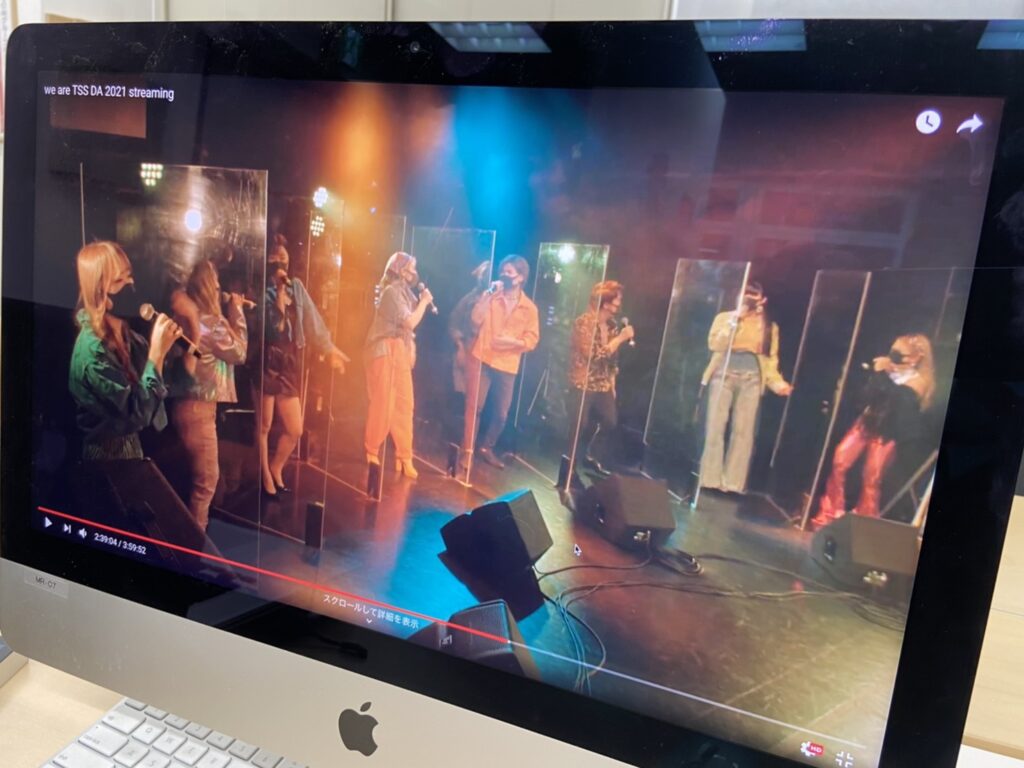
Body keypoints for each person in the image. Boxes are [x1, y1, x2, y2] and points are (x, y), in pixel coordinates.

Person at [69, 241, 182, 461]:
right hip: (106, 458)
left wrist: (170, 346)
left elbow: (158, 390)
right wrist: (157, 353)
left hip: (133, 448)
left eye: (129, 276)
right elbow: (135, 412)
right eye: (119, 280)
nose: (130, 284)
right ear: (100, 291)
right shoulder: (92, 352)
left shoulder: (131, 338)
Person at [259, 234, 350, 499]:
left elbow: (313, 321)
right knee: (264, 426)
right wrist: (278, 295)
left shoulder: (296, 287)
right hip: (267, 360)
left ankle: (276, 466)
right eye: (276, 257)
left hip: (288, 362)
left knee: (295, 428)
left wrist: (329, 348)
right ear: (269, 261)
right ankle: (265, 475)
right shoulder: (263, 291)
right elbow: (271, 328)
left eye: (284, 257)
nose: (281, 261)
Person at [812, 333, 935, 527]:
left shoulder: (918, 381)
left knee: (872, 476)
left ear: (914, 358)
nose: (892, 357)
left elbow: (898, 399)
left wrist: (882, 374)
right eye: (892, 352)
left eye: (898, 355)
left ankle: (865, 522)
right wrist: (878, 374)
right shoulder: (888, 372)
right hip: (868, 420)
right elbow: (867, 394)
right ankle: (831, 511)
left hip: (888, 430)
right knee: (840, 459)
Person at [167, 259, 248, 531]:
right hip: (199, 410)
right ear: (207, 286)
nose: (219, 287)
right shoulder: (211, 323)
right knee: (206, 483)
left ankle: (190, 537)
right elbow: (240, 353)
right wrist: (237, 310)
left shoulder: (188, 318)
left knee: (200, 480)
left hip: (184, 407)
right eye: (215, 283)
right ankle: (194, 545)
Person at [700, 282, 793, 494]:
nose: (749, 299)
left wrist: (776, 383)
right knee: (715, 426)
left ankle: (733, 483)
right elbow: (715, 344)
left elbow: (770, 360)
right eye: (746, 295)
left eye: (753, 296)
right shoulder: (725, 318)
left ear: (762, 300)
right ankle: (709, 479)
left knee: (743, 432)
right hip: (723, 374)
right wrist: (736, 318)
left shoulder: (768, 327)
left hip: (752, 378)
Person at [461, 255, 540, 471]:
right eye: (503, 271)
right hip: (483, 356)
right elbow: (474, 320)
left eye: (510, 272)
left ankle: (486, 446)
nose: (504, 275)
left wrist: (513, 343)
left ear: (521, 277)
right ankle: (467, 451)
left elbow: (532, 339)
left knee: (501, 413)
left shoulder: (529, 308)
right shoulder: (492, 297)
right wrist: (487, 295)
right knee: (474, 406)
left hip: (507, 363)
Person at [364, 252, 434, 479]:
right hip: (383, 349)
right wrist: (424, 302)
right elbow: (410, 322)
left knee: (405, 403)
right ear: (400, 270)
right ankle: (372, 449)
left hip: (399, 350)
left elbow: (408, 331)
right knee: (383, 402)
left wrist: (411, 348)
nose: (414, 272)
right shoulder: (391, 292)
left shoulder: (405, 293)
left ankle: (404, 456)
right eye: (411, 267)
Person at [568, 280, 634, 476]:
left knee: (610, 421)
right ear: (605, 302)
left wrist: (612, 383)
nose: (619, 303)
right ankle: (569, 466)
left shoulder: (612, 325)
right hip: (584, 380)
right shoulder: (584, 323)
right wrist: (620, 339)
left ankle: (589, 454)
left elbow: (613, 358)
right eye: (617, 299)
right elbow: (593, 355)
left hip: (602, 382)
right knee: (580, 424)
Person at [447, 260, 491, 443]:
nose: (484, 278)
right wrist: (459, 346)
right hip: (467, 352)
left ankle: (469, 444)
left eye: (487, 274)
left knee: (477, 406)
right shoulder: (468, 300)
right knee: (465, 402)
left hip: (487, 358)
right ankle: (462, 444)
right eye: (482, 274)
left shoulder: (496, 300)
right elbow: (454, 323)